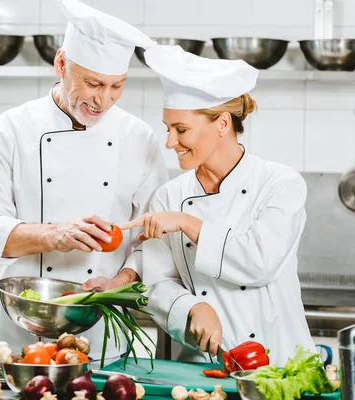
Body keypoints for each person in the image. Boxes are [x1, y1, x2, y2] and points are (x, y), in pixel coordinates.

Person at [0, 0, 168, 361]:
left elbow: (151, 239)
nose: (103, 100)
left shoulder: (138, 138)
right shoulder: (11, 129)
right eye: (93, 83)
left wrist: (119, 282)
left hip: (97, 334)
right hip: (14, 333)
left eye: (116, 86)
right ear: (61, 64)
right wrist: (54, 235)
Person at [121, 45, 315, 366]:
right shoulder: (169, 195)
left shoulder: (280, 183)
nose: (170, 142)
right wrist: (193, 307)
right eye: (168, 128)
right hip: (199, 364)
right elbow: (157, 282)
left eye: (181, 130)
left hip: (277, 363)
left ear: (222, 123)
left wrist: (188, 223)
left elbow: (259, 262)